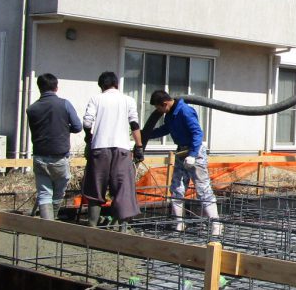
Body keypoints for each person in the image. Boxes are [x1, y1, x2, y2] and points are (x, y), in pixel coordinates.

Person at [143, 90, 221, 236]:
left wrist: (192, 155)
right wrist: (146, 133)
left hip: (194, 152)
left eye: (159, 108)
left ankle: (216, 225)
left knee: (203, 189)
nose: (158, 111)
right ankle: (179, 223)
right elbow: (166, 129)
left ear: (165, 104)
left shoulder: (185, 111)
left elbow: (197, 133)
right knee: (177, 188)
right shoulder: (170, 114)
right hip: (181, 152)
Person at [81, 71, 143, 228]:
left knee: (95, 187)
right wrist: (139, 147)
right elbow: (134, 125)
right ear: (117, 84)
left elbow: (87, 123)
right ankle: (122, 228)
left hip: (99, 149)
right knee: (123, 187)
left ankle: (92, 226)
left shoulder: (97, 99)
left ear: (101, 86)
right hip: (122, 150)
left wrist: (89, 137)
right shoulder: (128, 100)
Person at [25, 73, 81, 220]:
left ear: (40, 88)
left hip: (39, 156)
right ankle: (53, 222)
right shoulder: (64, 104)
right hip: (59, 157)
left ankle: (46, 225)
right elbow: (77, 126)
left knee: (44, 193)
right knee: (58, 192)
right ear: (56, 87)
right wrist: (63, 128)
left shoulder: (32, 109)